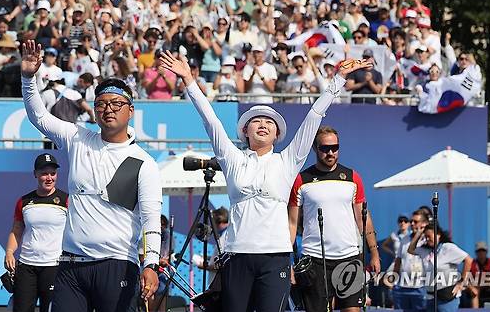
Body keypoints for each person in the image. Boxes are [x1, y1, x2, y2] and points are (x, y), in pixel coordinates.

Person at [159, 50, 370, 311]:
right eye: (255, 121)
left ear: (277, 132)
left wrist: (337, 79)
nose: (262, 124)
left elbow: (314, 116)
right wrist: (189, 81)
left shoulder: (288, 160)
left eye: (269, 122)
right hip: (237, 254)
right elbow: (210, 120)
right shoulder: (232, 157)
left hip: (276, 257)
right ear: (245, 131)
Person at [20, 40, 162, 312]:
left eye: (116, 103)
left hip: (117, 263)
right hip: (71, 267)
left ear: (130, 110)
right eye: (101, 104)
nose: (108, 109)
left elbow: (151, 219)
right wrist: (28, 78)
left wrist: (151, 264)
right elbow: (37, 115)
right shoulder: (78, 138)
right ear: (94, 110)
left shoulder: (144, 163)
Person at [288, 125, 381, 312]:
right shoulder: (301, 180)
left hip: (349, 257)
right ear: (315, 148)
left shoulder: (352, 177)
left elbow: (364, 218)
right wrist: (287, 261)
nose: (330, 153)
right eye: (324, 148)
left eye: (335, 147)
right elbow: (291, 224)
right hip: (314, 258)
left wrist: (374, 252)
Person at [4, 153, 68, 312]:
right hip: (27, 266)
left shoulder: (66, 200)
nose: (49, 177)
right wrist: (9, 252)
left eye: (52, 173)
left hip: (54, 265)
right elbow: (16, 231)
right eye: (44, 173)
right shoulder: (24, 201)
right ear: (35, 174)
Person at [408, 223, 473, 312]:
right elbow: (410, 250)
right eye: (425, 237)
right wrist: (419, 233)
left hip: (447, 297)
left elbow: (468, 260)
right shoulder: (425, 250)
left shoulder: (447, 248)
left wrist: (461, 283)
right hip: (431, 297)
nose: (427, 239)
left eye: (429, 236)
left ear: (438, 235)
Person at [392, 210, 429, 311]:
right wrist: (394, 282)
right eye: (411, 221)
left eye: (415, 222)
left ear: (424, 223)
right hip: (402, 288)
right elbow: (398, 260)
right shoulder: (404, 239)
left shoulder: (428, 240)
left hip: (420, 288)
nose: (412, 224)